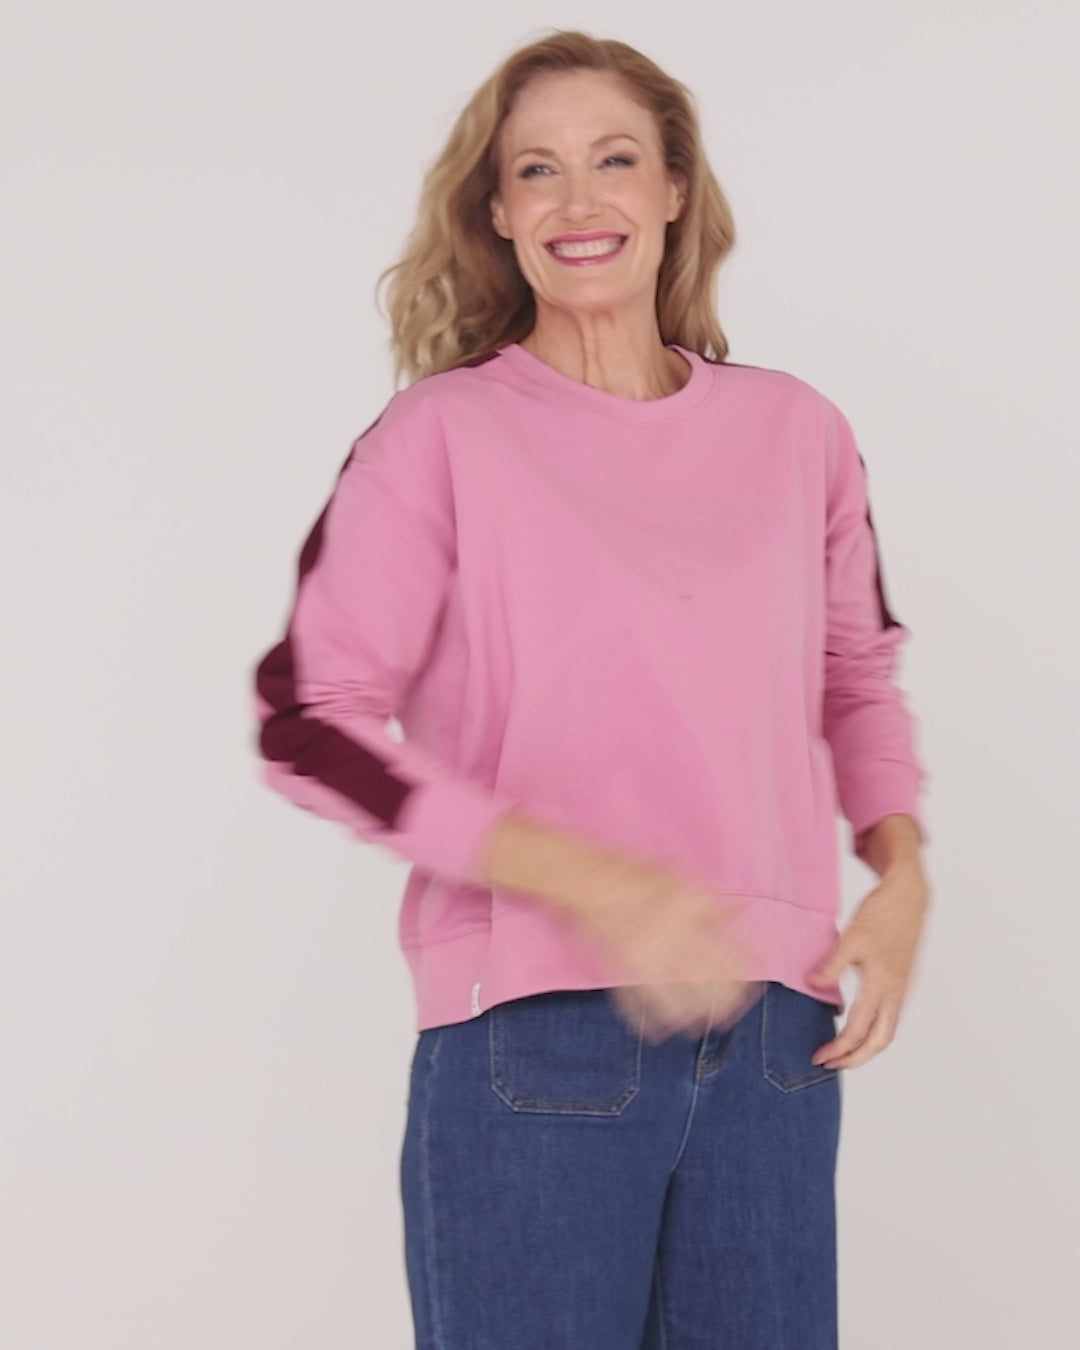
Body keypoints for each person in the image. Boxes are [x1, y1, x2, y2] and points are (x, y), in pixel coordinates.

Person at [250, 28, 931, 1350]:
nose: (578, 200)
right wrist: (587, 880)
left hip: (776, 1037)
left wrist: (900, 876)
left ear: (674, 187)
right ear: (499, 215)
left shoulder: (797, 430)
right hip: (539, 1033)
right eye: (536, 170)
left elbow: (854, 673)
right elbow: (308, 720)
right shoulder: (442, 437)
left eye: (614, 160)